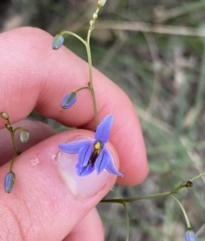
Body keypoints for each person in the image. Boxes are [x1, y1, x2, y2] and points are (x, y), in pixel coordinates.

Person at [0, 27, 148, 241]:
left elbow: (105, 161)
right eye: (96, 151)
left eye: (96, 152)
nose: (96, 151)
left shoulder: (100, 145)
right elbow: (77, 150)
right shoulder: (98, 144)